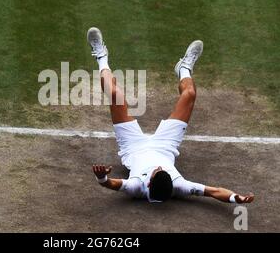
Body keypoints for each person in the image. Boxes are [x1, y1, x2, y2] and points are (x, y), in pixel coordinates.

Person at [88, 27, 254, 204]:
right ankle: (184, 68)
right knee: (189, 94)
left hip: (133, 145)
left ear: (149, 183)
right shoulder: (179, 185)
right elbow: (214, 192)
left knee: (114, 94)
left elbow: (111, 184)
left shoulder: (136, 186)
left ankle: (101, 56)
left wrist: (102, 178)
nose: (159, 167)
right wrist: (235, 198)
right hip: (165, 146)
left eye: (156, 171)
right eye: (162, 170)